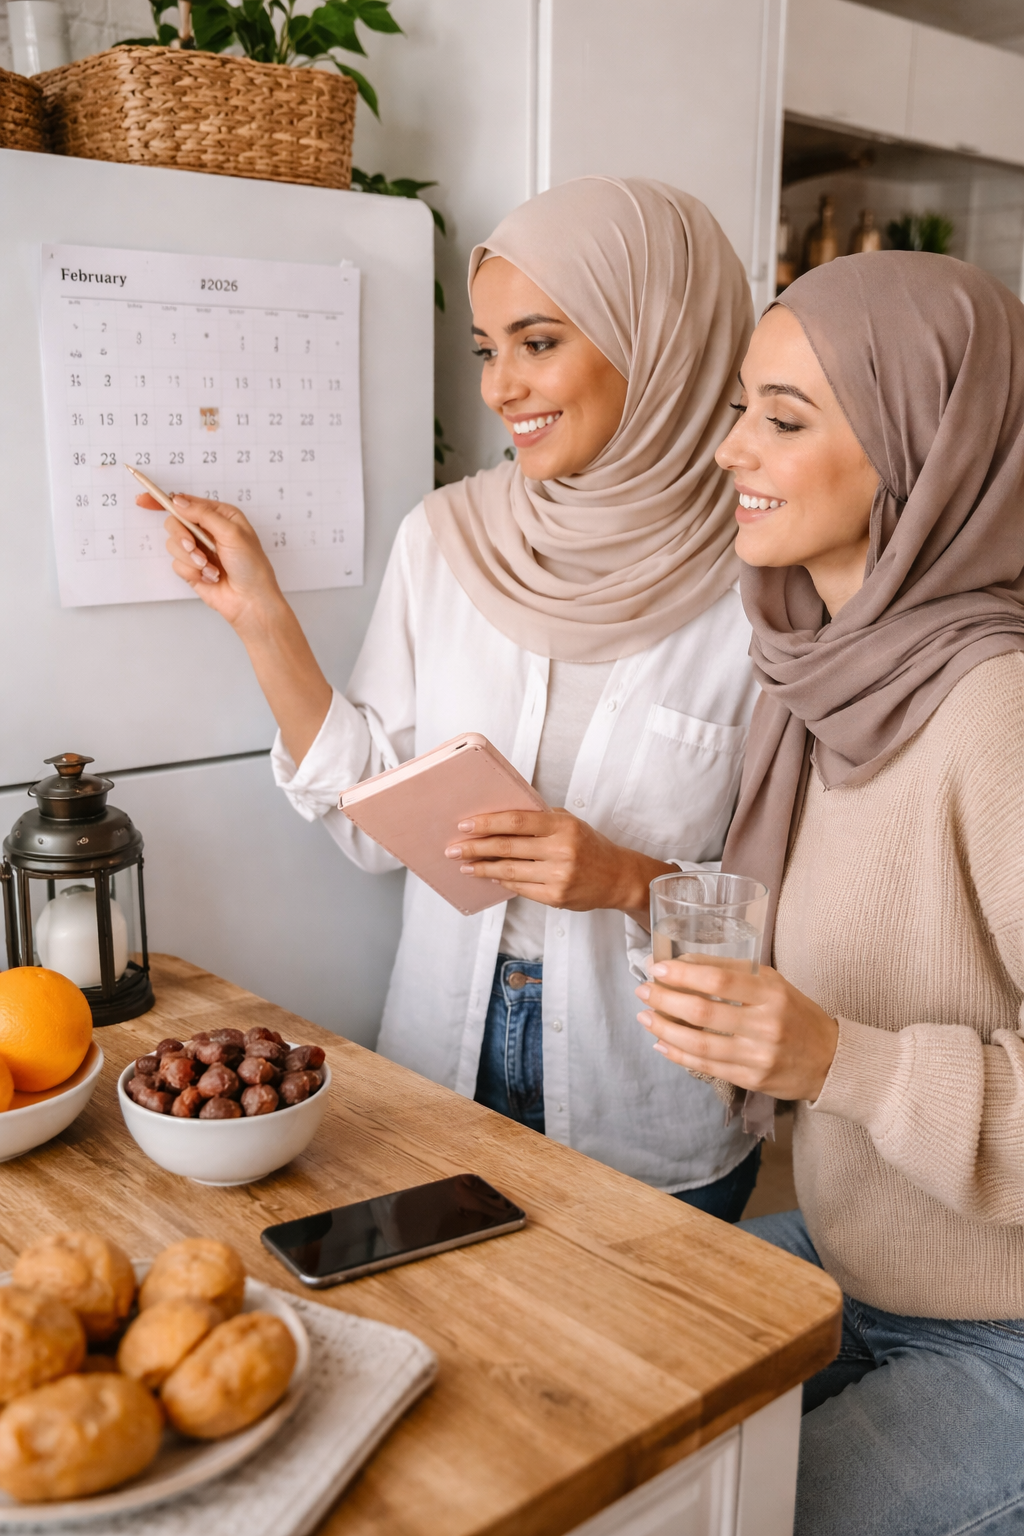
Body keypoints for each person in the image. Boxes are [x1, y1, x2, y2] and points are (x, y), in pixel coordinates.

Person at [140, 177, 762, 1215]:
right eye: (486, 349)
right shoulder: (448, 538)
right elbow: (373, 828)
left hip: (646, 1100)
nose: (499, 387)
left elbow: (802, 910)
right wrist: (259, 619)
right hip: (442, 1059)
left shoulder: (764, 586)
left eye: (537, 341)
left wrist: (624, 878)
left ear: (656, 342)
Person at [635, 250, 1024, 1534]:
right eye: (742, 407)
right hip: (848, 1265)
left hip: (1000, 1333)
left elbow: (841, 1055)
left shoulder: (995, 711)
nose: (729, 450)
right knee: (583, 1382)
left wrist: (838, 1060)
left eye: (783, 420)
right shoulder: (819, 673)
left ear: (924, 448)